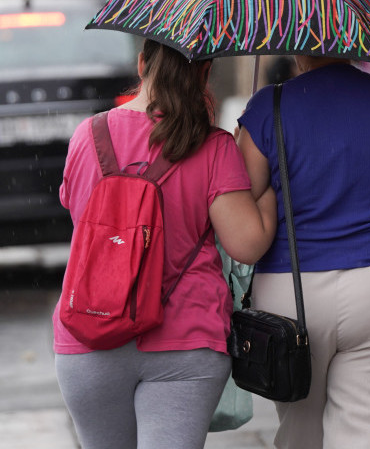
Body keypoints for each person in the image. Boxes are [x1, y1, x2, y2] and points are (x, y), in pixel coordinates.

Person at [53, 39, 277, 449]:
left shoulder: (88, 136)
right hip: (185, 342)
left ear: (141, 64)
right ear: (205, 74)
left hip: (90, 334)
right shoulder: (214, 147)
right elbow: (247, 244)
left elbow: (81, 215)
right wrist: (265, 185)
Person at [237, 53, 370, 449]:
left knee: (300, 428)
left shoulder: (268, 106)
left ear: (297, 48)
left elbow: (244, 208)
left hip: (291, 291)